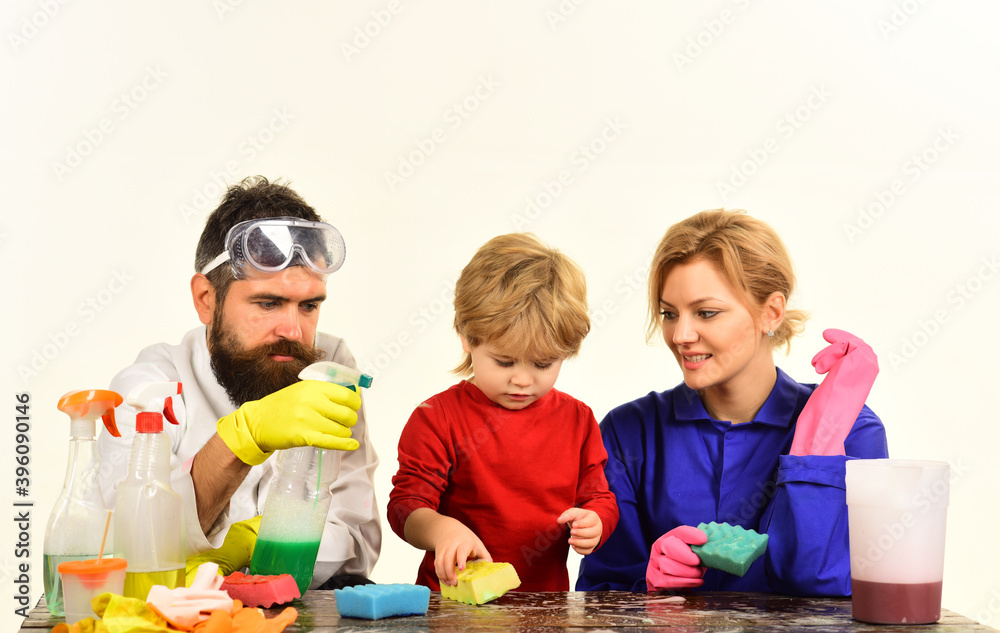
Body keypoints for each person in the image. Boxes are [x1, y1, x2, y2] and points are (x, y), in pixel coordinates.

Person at [576, 209, 888, 596]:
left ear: (770, 312)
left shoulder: (853, 428)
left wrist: (817, 439)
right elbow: (598, 592)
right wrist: (648, 582)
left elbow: (826, 585)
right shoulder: (627, 433)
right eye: (669, 313)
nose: (680, 335)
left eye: (706, 313)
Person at [97, 176, 380, 589]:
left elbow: (356, 543)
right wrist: (238, 442)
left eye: (309, 306)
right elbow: (128, 546)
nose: (294, 331)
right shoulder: (150, 388)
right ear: (205, 299)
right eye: (268, 303)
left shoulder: (330, 365)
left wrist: (246, 546)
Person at [387, 233, 619, 592]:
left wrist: (596, 522)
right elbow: (405, 505)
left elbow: (599, 498)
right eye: (504, 361)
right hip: (452, 607)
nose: (522, 380)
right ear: (467, 335)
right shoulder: (437, 417)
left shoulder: (578, 419)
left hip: (545, 611)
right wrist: (443, 530)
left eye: (543, 363)